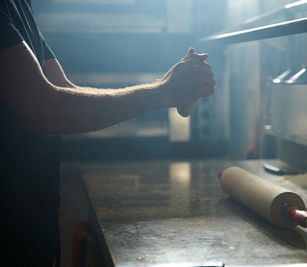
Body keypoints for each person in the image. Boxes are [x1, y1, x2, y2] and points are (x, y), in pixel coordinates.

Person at [0, 1, 216, 266]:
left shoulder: (18, 3)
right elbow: (43, 108)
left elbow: (62, 88)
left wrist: (163, 88)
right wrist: (163, 92)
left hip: (33, 222)